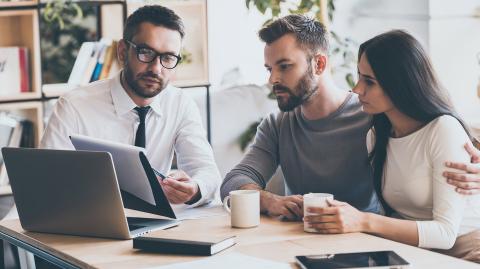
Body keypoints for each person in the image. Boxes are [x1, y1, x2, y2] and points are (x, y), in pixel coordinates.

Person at [304, 30, 480, 262]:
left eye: (369, 81)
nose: (357, 89)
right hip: (411, 253)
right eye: (359, 77)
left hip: (465, 252)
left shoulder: (443, 130)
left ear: (400, 84)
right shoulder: (377, 136)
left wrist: (362, 221)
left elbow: (445, 235)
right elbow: (395, 215)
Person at [40, 5, 221, 207]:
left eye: (168, 58)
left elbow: (207, 172)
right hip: (88, 219)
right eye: (146, 52)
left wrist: (195, 189)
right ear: (122, 51)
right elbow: (48, 183)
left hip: (157, 226)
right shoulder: (74, 106)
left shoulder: (180, 104)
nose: (156, 68)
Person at [220, 14, 380, 220]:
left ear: (319, 64)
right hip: (295, 245)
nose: (272, 79)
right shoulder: (277, 124)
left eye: (284, 66)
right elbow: (233, 181)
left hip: (362, 245)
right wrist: (269, 200)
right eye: (270, 69)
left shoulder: (369, 116)